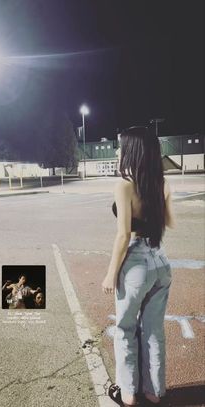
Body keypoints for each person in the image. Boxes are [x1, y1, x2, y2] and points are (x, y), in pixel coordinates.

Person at [102, 126, 175, 407]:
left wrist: (111, 273)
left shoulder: (124, 185)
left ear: (132, 151)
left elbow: (123, 235)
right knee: (154, 330)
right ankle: (154, 391)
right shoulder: (158, 183)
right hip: (160, 260)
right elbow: (168, 223)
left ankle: (129, 393)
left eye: (121, 147)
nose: (118, 152)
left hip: (136, 265)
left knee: (125, 329)